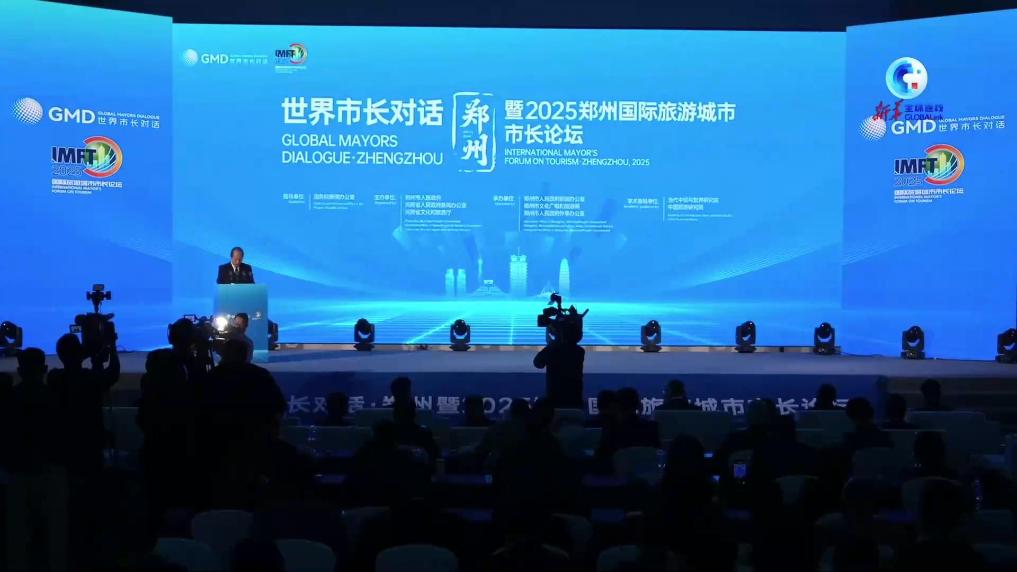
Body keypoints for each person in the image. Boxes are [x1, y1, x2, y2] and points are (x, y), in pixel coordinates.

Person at [47, 333, 120, 476]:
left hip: (64, 445)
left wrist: (88, 356)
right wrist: (110, 348)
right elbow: (113, 374)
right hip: (90, 445)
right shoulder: (90, 378)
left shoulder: (54, 377)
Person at [596, 387, 660, 462]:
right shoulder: (652, 428)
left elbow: (601, 458)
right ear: (638, 405)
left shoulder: (610, 431)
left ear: (615, 406)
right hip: (646, 468)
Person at [534, 319, 585, 409]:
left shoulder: (552, 349)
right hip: (574, 398)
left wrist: (550, 345)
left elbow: (538, 363)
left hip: (554, 399)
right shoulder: (580, 351)